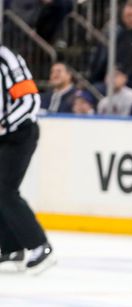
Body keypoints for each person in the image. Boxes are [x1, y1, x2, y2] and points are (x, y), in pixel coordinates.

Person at [0, 45, 56, 274]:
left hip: (19, 134)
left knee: (4, 189)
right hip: (3, 136)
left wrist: (4, 123)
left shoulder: (5, 58)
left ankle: (40, 246)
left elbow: (30, 100)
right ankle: (11, 248)